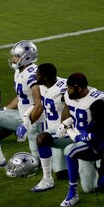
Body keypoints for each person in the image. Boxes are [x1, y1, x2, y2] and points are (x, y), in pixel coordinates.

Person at [0, 41, 43, 169]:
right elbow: (21, 96)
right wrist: (6, 109)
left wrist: (26, 124)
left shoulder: (32, 75)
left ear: (26, 57)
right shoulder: (19, 71)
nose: (14, 59)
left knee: (38, 162)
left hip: (35, 120)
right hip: (22, 115)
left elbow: (39, 104)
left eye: (17, 56)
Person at [58, 73, 104, 207]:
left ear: (79, 88)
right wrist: (64, 124)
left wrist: (67, 128)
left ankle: (72, 193)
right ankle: (48, 175)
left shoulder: (97, 99)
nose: (67, 91)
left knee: (70, 152)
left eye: (70, 88)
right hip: (77, 134)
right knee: (44, 138)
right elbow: (76, 116)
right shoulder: (70, 96)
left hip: (94, 140)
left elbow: (98, 128)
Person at [31, 63, 69, 192]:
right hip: (52, 130)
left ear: (46, 77)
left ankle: (47, 179)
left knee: (42, 139)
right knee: (61, 174)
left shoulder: (64, 87)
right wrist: (26, 120)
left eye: (38, 74)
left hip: (64, 131)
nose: (36, 76)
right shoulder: (43, 87)